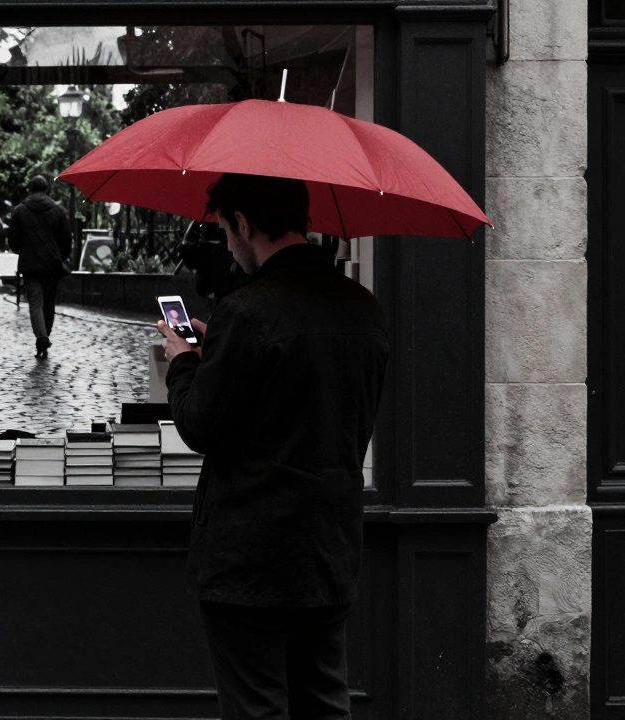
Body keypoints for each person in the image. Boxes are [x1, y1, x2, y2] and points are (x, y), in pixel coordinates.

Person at [157, 173, 389, 720]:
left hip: (252, 556)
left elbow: (199, 424)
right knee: (324, 700)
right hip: (329, 545)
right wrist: (220, 347)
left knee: (257, 707)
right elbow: (315, 396)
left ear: (242, 223)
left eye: (225, 232)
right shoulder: (363, 308)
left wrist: (184, 362)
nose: (229, 248)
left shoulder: (247, 310)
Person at [7, 175, 71, 358]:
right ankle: (45, 335)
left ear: (30, 189)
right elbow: (67, 239)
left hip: (30, 263)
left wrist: (22, 250)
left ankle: (41, 336)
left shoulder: (20, 211)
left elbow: (13, 239)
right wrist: (61, 256)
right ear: (46, 190)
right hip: (52, 263)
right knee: (49, 303)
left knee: (35, 302)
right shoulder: (59, 211)